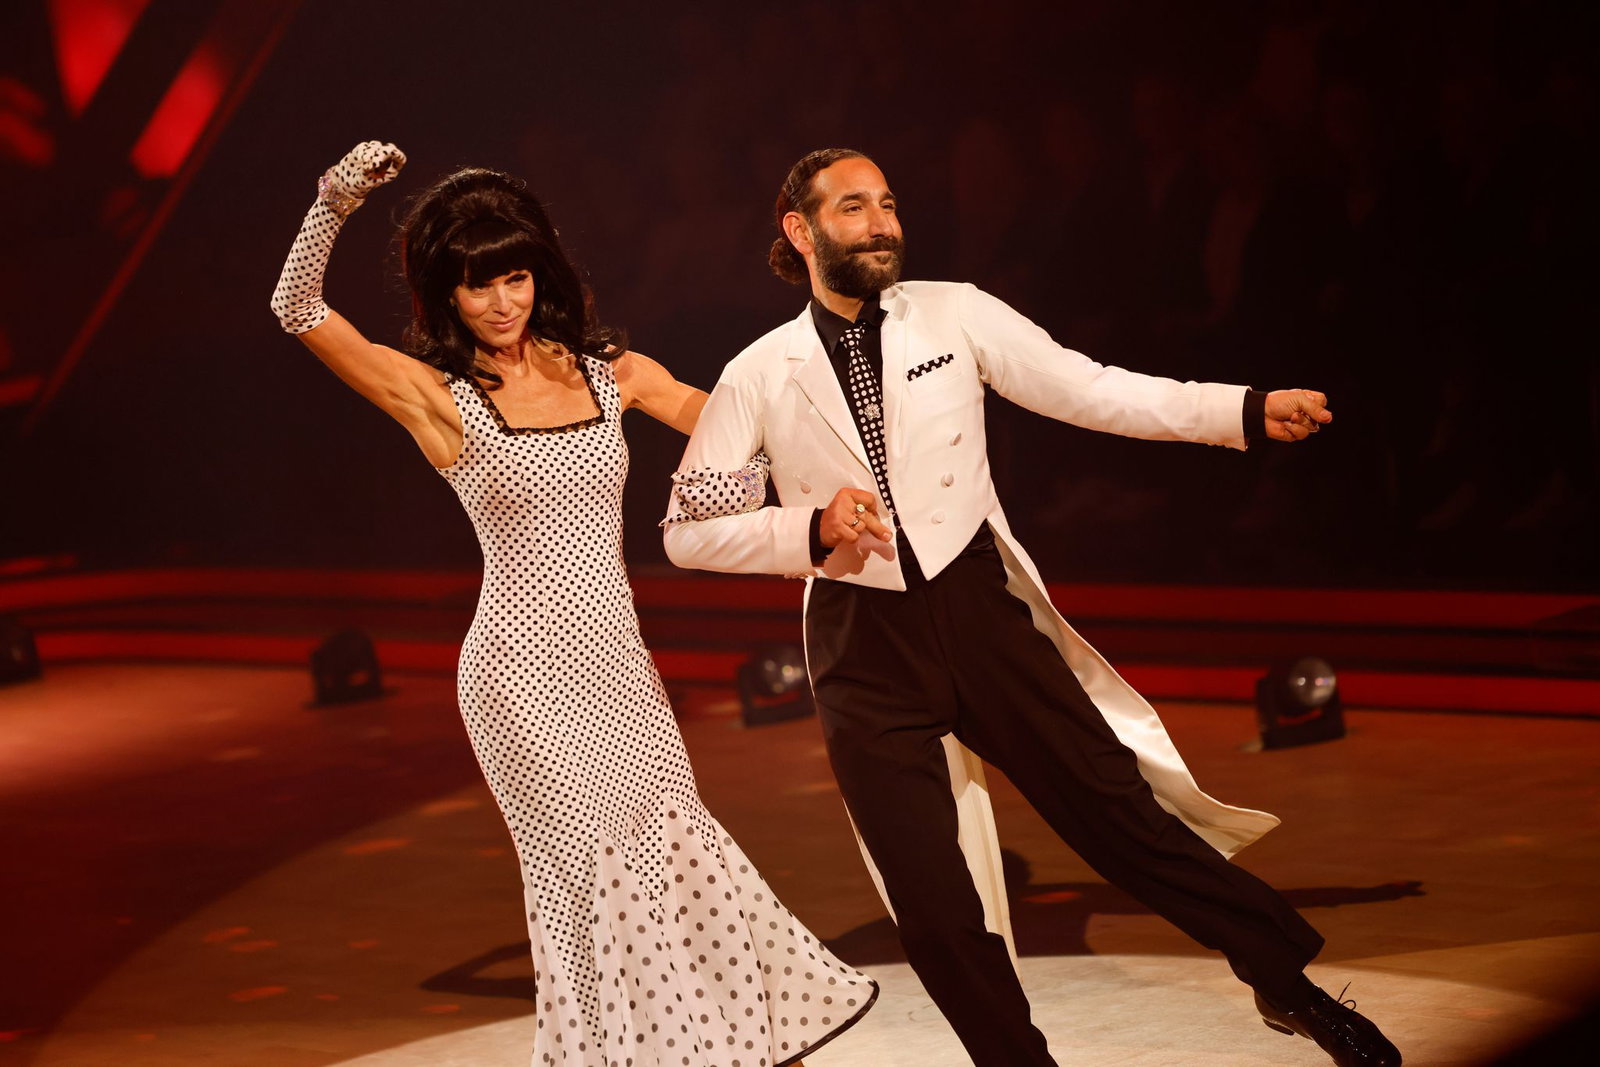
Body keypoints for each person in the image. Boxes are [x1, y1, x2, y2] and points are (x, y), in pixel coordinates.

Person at [663, 148, 1401, 1067]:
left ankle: (1285, 984)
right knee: (931, 905)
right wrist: (806, 529)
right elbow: (688, 531)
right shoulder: (758, 371)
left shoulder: (955, 312)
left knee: (1125, 822)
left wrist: (1241, 411)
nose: (882, 222)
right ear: (799, 230)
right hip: (861, 643)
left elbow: (1092, 389)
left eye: (889, 203)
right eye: (853, 207)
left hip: (977, 609)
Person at [269, 141, 876, 1067]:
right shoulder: (435, 395)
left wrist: (834, 485)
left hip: (617, 665)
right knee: (581, 869)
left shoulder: (609, 372)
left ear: (538, 276)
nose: (500, 301)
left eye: (513, 277)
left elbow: (732, 422)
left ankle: (702, 1046)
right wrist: (334, 199)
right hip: (518, 677)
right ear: (447, 296)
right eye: (477, 285)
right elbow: (297, 309)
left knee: (667, 843)